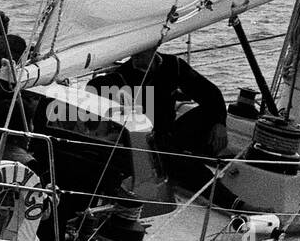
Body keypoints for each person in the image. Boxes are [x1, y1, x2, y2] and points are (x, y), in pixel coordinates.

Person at [89, 46, 229, 162]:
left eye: (141, 51)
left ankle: (201, 154)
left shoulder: (174, 65)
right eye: (133, 52)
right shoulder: (124, 75)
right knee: (187, 168)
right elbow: (96, 85)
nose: (135, 56)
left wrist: (220, 123)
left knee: (209, 111)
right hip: (146, 141)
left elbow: (210, 93)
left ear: (154, 47)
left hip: (170, 132)